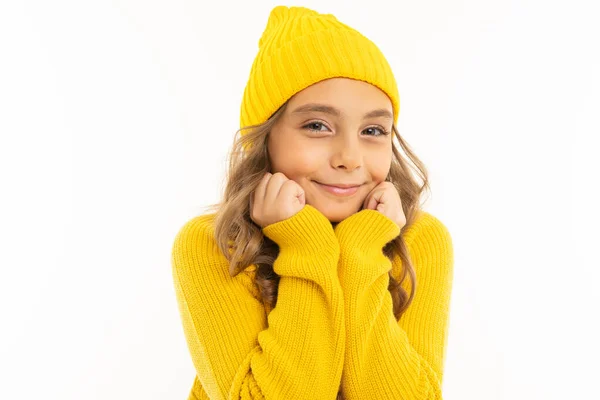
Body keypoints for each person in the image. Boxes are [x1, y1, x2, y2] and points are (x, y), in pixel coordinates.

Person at [171, 5, 454, 400]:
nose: (350, 157)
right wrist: (304, 243)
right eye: (317, 126)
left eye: (373, 130)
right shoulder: (214, 244)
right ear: (263, 139)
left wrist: (361, 248)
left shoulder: (419, 239)